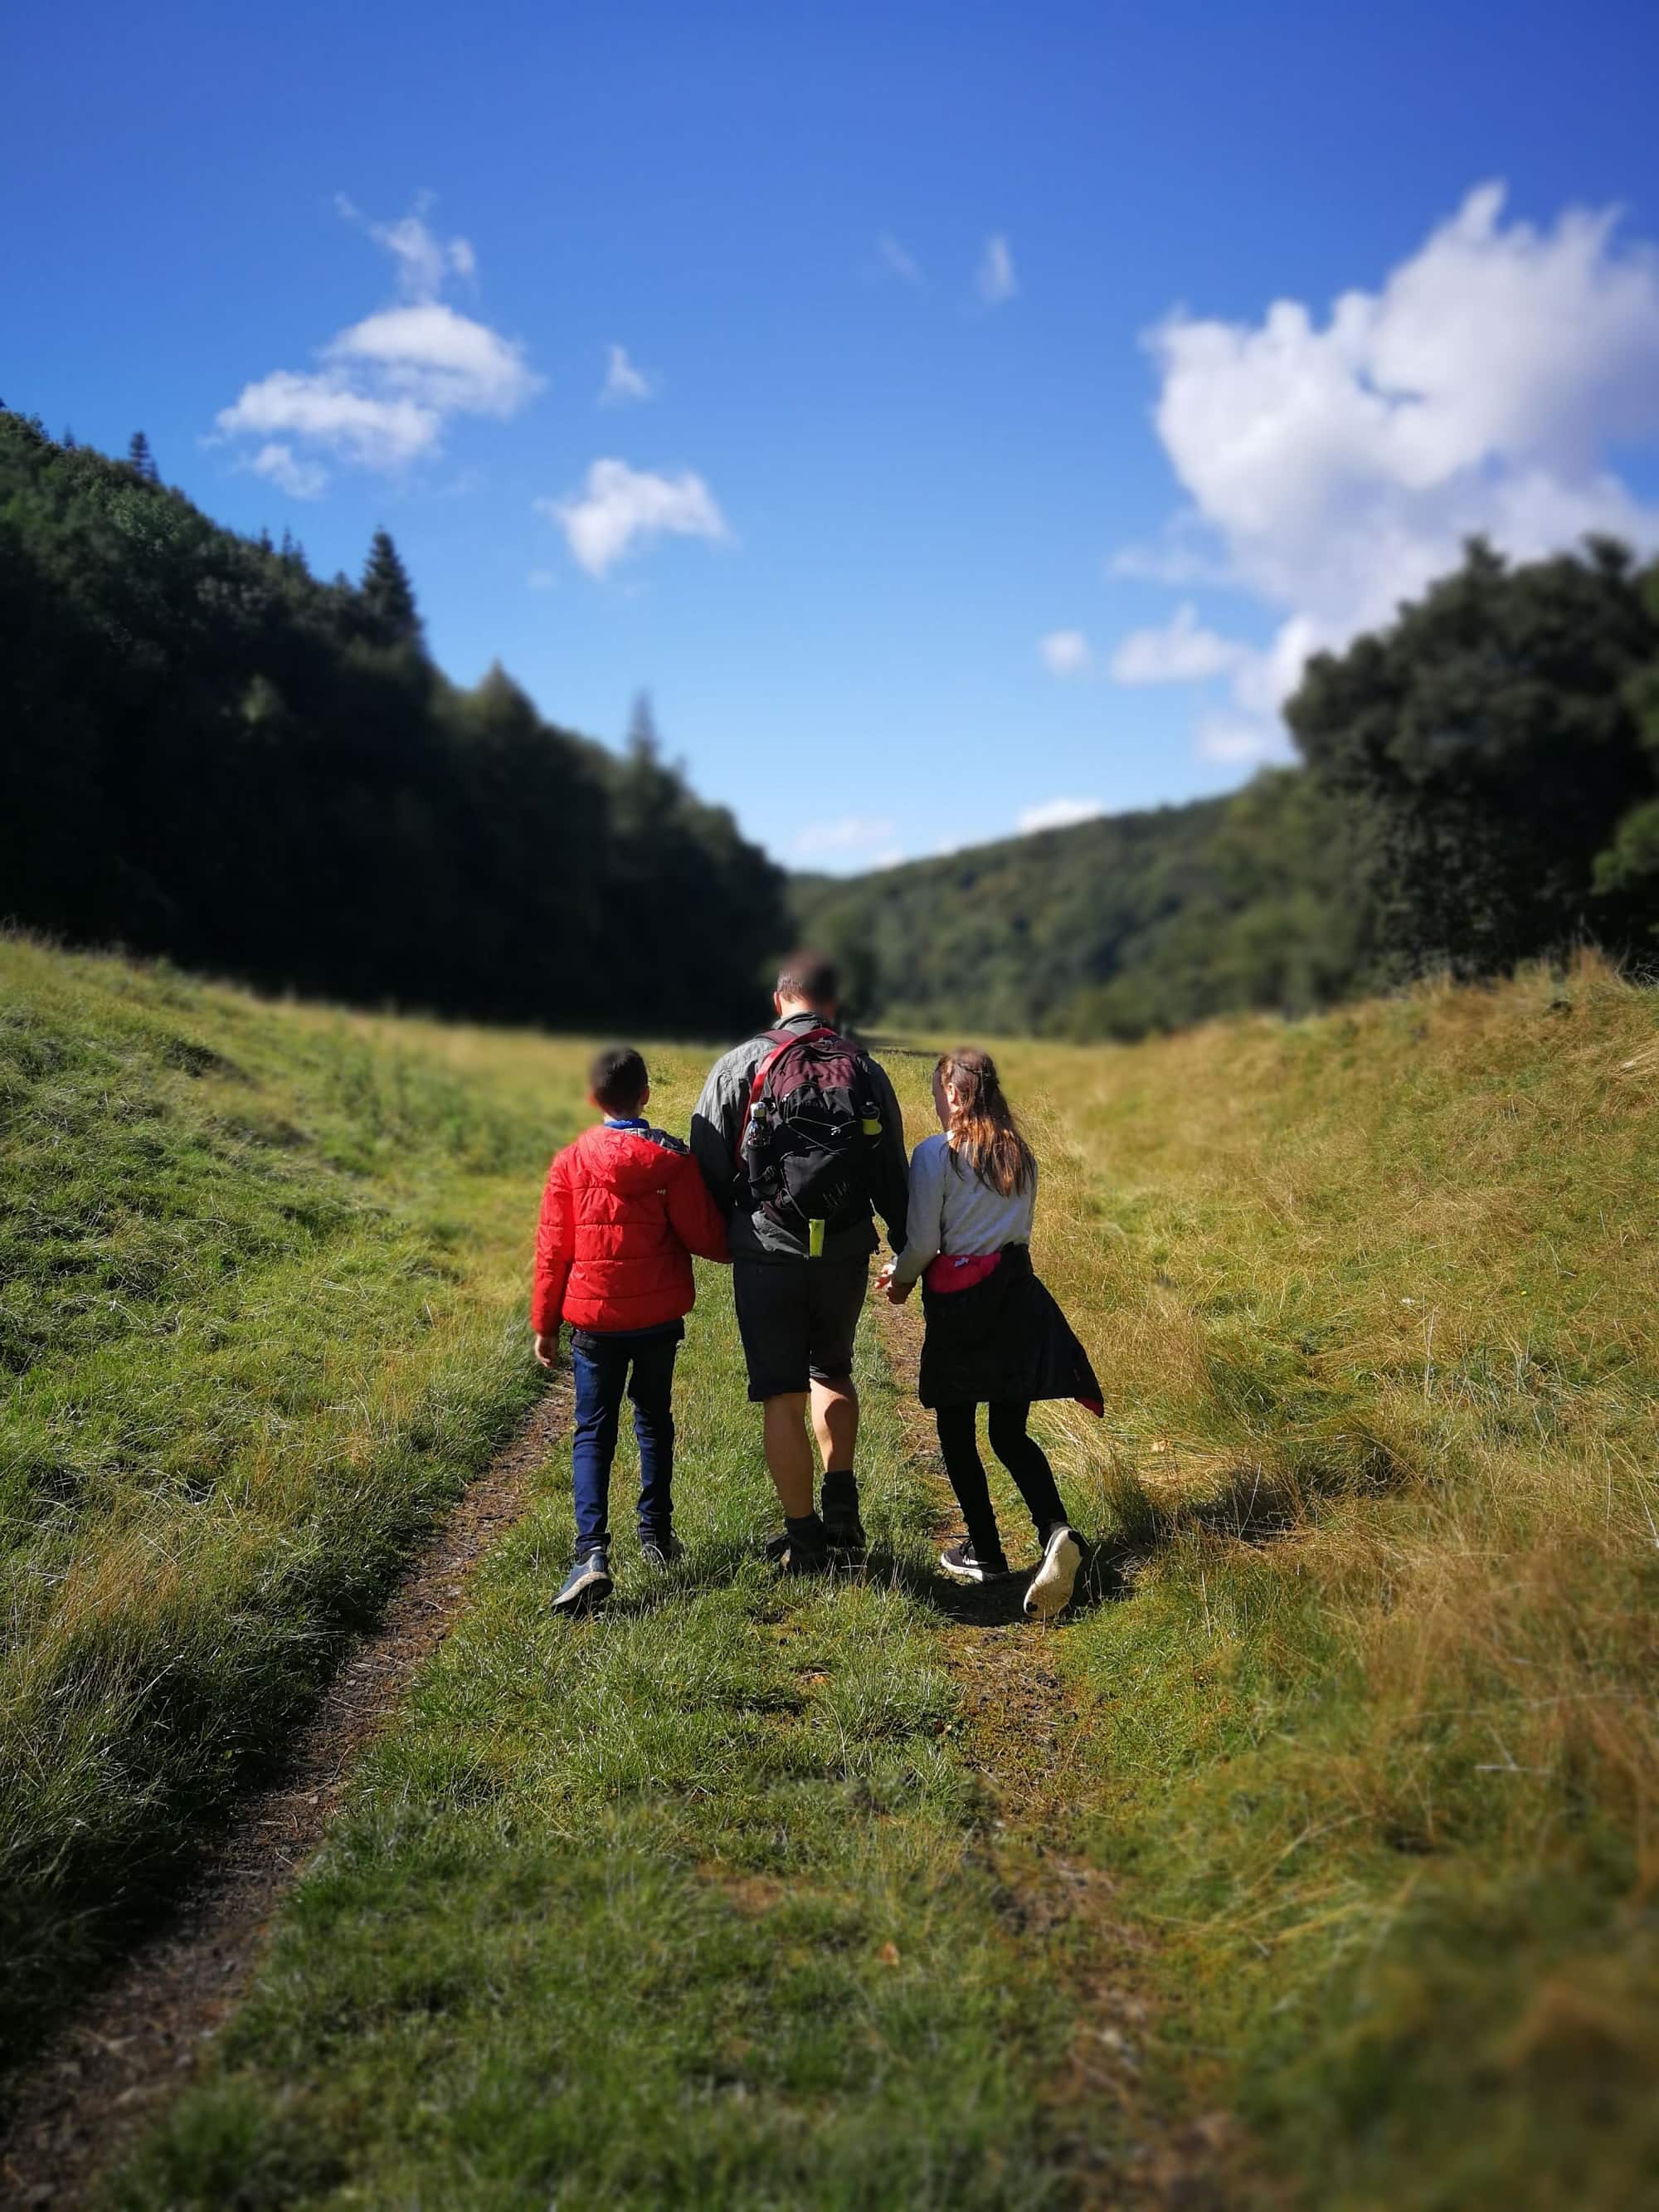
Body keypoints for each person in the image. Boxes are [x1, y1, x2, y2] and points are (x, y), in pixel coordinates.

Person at [691, 952, 908, 1573]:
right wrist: (904, 1243)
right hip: (842, 1249)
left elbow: (706, 1161)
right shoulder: (864, 1067)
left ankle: (804, 1537)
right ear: (834, 1005)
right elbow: (889, 1166)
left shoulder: (739, 1065)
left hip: (768, 1251)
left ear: (778, 998)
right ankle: (841, 1501)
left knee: (780, 1393)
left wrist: (729, 1232)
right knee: (833, 1369)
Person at [878, 1046, 1099, 1619]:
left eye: (937, 1094)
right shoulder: (1021, 1154)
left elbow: (925, 1243)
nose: (935, 1104)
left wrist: (899, 1282)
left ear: (953, 1094)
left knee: (956, 1428)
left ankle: (987, 1550)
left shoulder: (936, 1155)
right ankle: (1055, 1530)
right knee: (1009, 1433)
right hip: (1017, 1297)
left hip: (961, 1310)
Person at [533, 1045, 730, 1613]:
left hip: (594, 1323)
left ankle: (590, 1552)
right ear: (645, 1095)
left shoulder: (569, 1162)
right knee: (653, 1417)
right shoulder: (671, 1161)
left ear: (593, 1099)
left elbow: (552, 1252)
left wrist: (545, 1324)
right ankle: (657, 1536)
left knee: (593, 1431)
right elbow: (705, 1239)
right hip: (658, 1320)